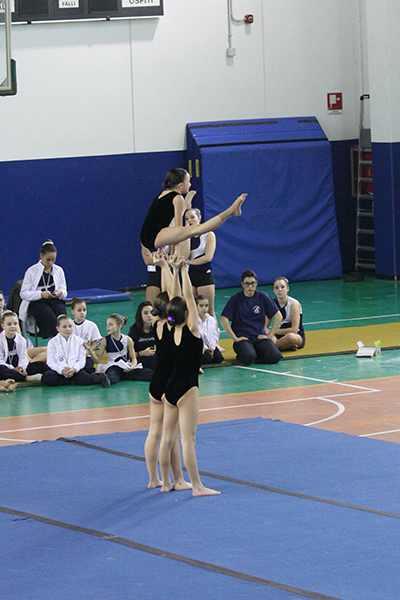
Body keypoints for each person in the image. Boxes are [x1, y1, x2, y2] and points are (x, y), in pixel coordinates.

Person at [159, 255, 220, 496]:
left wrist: (175, 270)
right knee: (188, 441)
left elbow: (176, 298)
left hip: (171, 387)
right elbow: (186, 301)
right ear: (188, 312)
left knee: (167, 438)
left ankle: (166, 482)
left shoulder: (171, 326)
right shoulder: (193, 329)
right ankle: (197, 486)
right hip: (187, 387)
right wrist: (183, 271)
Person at [144, 251, 191, 490]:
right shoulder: (172, 326)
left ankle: (154, 479)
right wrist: (172, 270)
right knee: (170, 437)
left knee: (154, 432)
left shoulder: (156, 324)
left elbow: (166, 298)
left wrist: (164, 266)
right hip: (169, 382)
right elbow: (175, 296)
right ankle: (175, 480)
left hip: (155, 381)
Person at [140, 167, 246, 254]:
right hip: (154, 236)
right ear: (180, 185)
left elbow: (157, 220)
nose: (190, 184)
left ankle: (188, 205)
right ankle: (231, 211)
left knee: (188, 229)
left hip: (147, 235)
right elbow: (178, 229)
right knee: (195, 230)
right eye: (189, 181)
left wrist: (161, 249)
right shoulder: (177, 198)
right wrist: (176, 252)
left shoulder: (162, 194)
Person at [220, 270, 283, 366]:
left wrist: (269, 336)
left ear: (256, 283)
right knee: (248, 357)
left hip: (259, 337)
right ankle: (247, 352)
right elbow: (223, 319)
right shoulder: (236, 299)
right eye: (247, 284)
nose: (250, 287)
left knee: (275, 357)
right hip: (243, 339)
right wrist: (235, 338)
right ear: (242, 284)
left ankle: (255, 352)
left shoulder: (263, 297)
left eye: (253, 283)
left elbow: (278, 316)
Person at [85, 313, 153, 387]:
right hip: (113, 366)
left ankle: (158, 376)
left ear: (119, 326)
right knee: (112, 374)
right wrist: (90, 351)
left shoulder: (128, 340)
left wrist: (132, 367)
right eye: (107, 325)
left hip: (126, 366)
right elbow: (97, 360)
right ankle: (107, 380)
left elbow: (134, 358)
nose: (107, 327)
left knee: (144, 373)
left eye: (110, 324)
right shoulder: (104, 340)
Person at [19, 240, 67, 338]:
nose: (51, 263)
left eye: (53, 260)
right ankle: (59, 347)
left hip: (54, 300)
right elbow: (23, 294)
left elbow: (64, 291)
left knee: (64, 321)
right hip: (37, 302)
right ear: (41, 255)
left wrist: (60, 292)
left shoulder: (59, 270)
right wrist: (40, 294)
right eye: (48, 260)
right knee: (54, 322)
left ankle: (65, 345)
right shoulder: (31, 271)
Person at [41, 315, 100, 387]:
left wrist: (74, 369)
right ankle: (70, 380)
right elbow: (50, 361)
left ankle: (101, 376)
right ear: (58, 328)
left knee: (86, 379)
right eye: (64, 327)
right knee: (47, 378)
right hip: (59, 371)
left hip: (74, 370)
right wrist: (61, 370)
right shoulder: (52, 342)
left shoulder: (79, 341)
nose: (68, 329)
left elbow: (81, 360)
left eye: (70, 326)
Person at [185, 208, 217, 318]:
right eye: (186, 219)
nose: (189, 220)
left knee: (208, 311)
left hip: (204, 275)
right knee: (192, 311)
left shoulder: (208, 235)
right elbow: (182, 255)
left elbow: (208, 257)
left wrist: (189, 262)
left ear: (199, 218)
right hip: (189, 276)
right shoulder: (185, 237)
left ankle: (213, 335)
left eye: (192, 217)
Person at [0, 310, 48, 383]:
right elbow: (1, 361)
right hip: (7, 368)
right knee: (1, 370)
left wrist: (21, 369)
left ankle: (19, 376)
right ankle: (26, 378)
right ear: (3, 325)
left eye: (15, 324)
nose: (13, 326)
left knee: (42, 365)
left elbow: (23, 358)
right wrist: (13, 369)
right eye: (9, 324)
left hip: (20, 368)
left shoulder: (22, 340)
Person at [271, 277, 306, 350]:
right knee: (266, 337)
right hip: (280, 335)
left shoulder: (294, 304)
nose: (279, 290)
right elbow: (265, 326)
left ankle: (275, 347)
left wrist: (274, 331)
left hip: (296, 335)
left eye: (282, 287)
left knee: (290, 337)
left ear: (287, 288)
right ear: (274, 290)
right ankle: (285, 346)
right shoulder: (272, 304)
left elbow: (294, 329)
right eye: (277, 288)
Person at [71, 297, 102, 373]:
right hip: (72, 356)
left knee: (88, 369)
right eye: (79, 310)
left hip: (87, 356)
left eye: (84, 310)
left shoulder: (91, 325)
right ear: (73, 311)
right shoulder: (69, 326)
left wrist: (88, 352)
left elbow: (95, 344)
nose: (82, 312)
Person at [128, 301, 157, 373]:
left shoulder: (157, 328)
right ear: (140, 315)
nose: (149, 315)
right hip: (140, 360)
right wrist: (141, 353)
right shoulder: (134, 331)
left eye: (151, 312)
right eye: (146, 313)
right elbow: (127, 354)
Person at [196, 294, 224, 365]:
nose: (204, 308)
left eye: (206, 305)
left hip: (209, 346)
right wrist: (206, 349)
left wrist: (212, 348)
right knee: (206, 359)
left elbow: (215, 335)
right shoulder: (194, 321)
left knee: (219, 358)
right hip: (199, 347)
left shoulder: (211, 320)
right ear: (196, 307)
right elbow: (198, 338)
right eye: (201, 306)